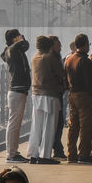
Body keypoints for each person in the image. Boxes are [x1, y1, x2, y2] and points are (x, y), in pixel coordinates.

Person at [26, 35, 64, 164]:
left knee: (36, 126)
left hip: (36, 95)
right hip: (50, 95)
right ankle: (45, 156)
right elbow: (61, 73)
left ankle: (33, 154)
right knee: (49, 126)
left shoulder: (34, 58)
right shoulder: (50, 58)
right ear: (49, 46)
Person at [64, 33, 92, 163]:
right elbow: (90, 82)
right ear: (84, 45)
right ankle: (84, 154)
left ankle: (71, 154)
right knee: (87, 125)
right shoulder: (84, 61)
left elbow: (64, 79)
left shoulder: (69, 59)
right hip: (84, 95)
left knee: (73, 125)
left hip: (72, 95)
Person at [1, 28, 30, 162]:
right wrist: (21, 40)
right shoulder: (12, 49)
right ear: (14, 39)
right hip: (17, 91)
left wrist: (21, 41)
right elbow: (25, 43)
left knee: (15, 124)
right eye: (18, 36)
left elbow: (25, 45)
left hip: (18, 91)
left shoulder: (13, 51)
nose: (21, 37)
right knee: (13, 124)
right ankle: (11, 154)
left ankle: (13, 152)